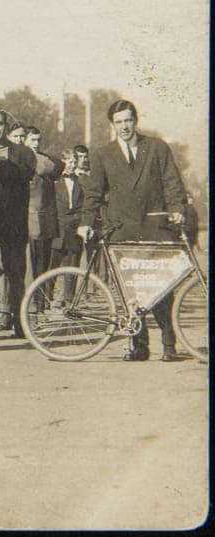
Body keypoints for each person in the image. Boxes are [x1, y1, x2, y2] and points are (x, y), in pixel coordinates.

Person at [78, 99, 186, 362]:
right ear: (112, 125)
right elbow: (93, 194)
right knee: (131, 291)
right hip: (122, 232)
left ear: (135, 120)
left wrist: (177, 207)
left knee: (161, 288)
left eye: (128, 120)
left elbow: (172, 182)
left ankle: (169, 345)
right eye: (119, 122)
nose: (124, 127)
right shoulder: (102, 154)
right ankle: (139, 346)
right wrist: (86, 222)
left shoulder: (157, 148)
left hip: (154, 229)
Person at [0, 107, 37, 338]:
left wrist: (4, 166)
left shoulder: (23, 153)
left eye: (0, 124)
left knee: (16, 275)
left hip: (13, 223)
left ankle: (20, 322)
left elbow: (27, 174)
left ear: (5, 125)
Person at [46, 148, 86, 308]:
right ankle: (46, 299)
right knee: (52, 266)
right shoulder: (54, 182)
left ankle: (69, 300)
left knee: (72, 265)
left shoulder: (81, 181)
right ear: (62, 162)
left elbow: (83, 205)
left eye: (74, 162)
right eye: (69, 162)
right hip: (57, 229)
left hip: (74, 229)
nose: (72, 165)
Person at [25, 126, 63, 285]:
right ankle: (33, 302)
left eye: (38, 140)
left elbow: (59, 166)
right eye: (32, 140)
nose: (36, 143)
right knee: (32, 263)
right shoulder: (28, 159)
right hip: (29, 218)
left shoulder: (43, 159)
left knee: (43, 262)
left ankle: (40, 302)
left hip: (45, 220)